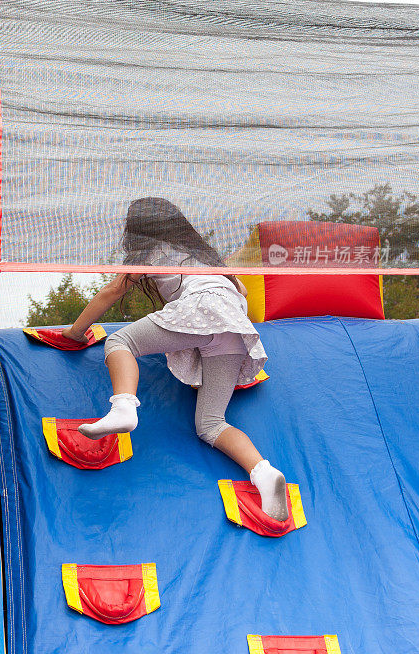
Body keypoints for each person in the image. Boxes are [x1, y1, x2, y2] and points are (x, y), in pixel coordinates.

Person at [63, 198, 288, 521]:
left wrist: (74, 333)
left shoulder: (150, 253)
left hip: (202, 309)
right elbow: (242, 292)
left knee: (120, 341)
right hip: (235, 327)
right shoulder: (207, 257)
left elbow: (110, 293)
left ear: (137, 230)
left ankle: (123, 406)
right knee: (211, 424)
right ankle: (263, 472)